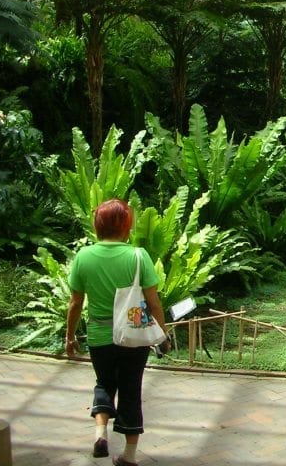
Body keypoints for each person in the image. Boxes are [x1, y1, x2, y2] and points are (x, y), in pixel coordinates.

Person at [65, 198, 171, 465]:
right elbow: (154, 302)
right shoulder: (138, 256)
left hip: (100, 336)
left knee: (104, 383)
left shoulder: (83, 257)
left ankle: (100, 433)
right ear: (126, 226)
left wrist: (70, 336)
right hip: (133, 336)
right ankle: (128, 456)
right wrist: (163, 334)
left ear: (98, 225)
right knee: (130, 389)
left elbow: (75, 303)